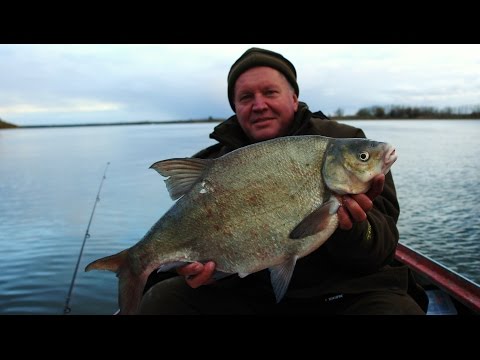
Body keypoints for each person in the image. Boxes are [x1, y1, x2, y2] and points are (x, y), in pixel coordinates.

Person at [139, 47, 427, 315]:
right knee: (160, 299)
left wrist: (354, 228)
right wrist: (202, 273)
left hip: (342, 293)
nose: (259, 105)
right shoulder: (213, 163)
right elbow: (189, 243)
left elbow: (381, 250)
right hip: (247, 294)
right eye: (246, 97)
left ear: (293, 97)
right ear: (235, 107)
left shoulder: (344, 143)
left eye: (270, 92)